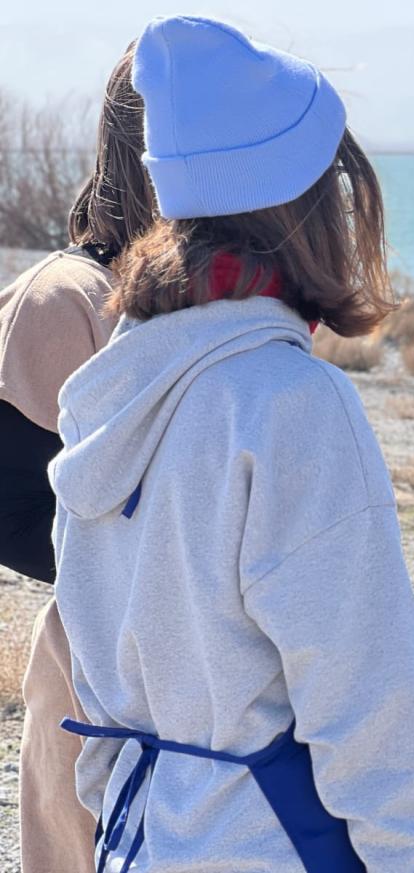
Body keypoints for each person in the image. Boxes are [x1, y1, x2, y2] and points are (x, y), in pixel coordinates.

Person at [50, 15, 414, 872]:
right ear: (307, 205)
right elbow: (364, 705)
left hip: (140, 836)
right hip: (265, 847)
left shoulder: (108, 393)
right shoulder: (289, 404)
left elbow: (89, 691)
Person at [0, 42, 154, 873]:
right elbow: (13, 509)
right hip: (96, 669)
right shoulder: (67, 297)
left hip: (198, 674)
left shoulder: (204, 301)